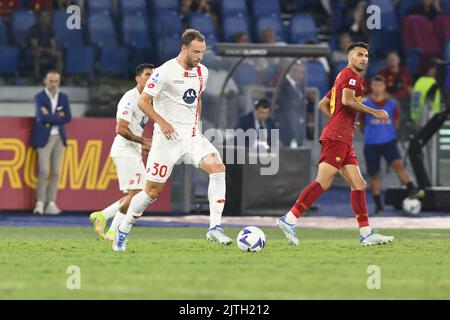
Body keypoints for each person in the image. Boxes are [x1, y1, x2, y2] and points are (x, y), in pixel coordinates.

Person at [113, 29, 232, 252]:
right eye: (196, 52)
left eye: (203, 52)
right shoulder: (163, 72)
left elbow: (196, 99)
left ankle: (214, 227)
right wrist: (162, 122)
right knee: (151, 193)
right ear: (184, 48)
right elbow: (144, 102)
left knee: (218, 168)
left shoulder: (202, 72)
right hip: (167, 140)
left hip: (192, 136)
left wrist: (197, 126)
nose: (200, 57)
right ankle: (123, 229)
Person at [277, 42, 394, 246]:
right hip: (337, 137)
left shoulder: (342, 75)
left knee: (359, 184)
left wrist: (343, 120)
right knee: (323, 181)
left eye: (366, 55)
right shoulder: (351, 76)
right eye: (359, 54)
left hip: (342, 136)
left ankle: (366, 233)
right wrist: (374, 112)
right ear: (350, 57)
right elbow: (348, 101)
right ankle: (289, 219)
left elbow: (323, 104)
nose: (364, 58)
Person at [89, 64, 154, 240]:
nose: (151, 78)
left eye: (153, 75)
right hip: (124, 150)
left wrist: (142, 145)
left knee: (137, 194)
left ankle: (107, 223)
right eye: (147, 74)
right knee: (138, 194)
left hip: (133, 150)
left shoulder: (147, 99)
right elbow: (121, 128)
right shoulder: (129, 98)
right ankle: (107, 222)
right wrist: (143, 141)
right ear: (137, 78)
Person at [360, 75, 424, 215]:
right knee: (374, 174)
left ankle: (411, 188)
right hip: (371, 143)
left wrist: (389, 133)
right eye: (375, 85)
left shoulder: (392, 104)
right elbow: (362, 123)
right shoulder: (365, 104)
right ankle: (378, 205)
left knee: (398, 164)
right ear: (372, 87)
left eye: (380, 85)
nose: (377, 88)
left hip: (388, 141)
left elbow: (396, 121)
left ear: (384, 87)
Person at [31, 70, 72, 215]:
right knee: (44, 171)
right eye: (51, 81)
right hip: (44, 137)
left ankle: (51, 203)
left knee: (55, 172)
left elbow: (68, 118)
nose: (54, 84)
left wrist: (50, 116)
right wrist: (57, 116)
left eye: (56, 81)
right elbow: (42, 118)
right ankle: (40, 202)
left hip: (59, 138)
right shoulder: (39, 97)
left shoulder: (63, 97)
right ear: (45, 81)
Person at [275, 61, 310, 146]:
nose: (301, 75)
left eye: (302, 72)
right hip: (287, 126)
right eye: (299, 72)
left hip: (298, 126)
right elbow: (284, 104)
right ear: (292, 71)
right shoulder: (283, 84)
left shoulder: (299, 86)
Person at [28, 11, 63, 81]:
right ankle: (36, 77)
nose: (45, 18)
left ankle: (58, 77)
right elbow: (34, 44)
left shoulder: (50, 29)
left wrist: (53, 49)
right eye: (43, 17)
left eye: (46, 17)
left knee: (58, 54)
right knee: (37, 53)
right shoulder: (33, 29)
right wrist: (44, 49)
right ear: (39, 18)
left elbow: (53, 42)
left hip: (47, 49)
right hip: (37, 49)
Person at [410, 58, 441, 129]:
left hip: (436, 119)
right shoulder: (422, 82)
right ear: (432, 69)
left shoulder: (438, 82)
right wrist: (416, 119)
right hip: (425, 120)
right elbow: (416, 102)